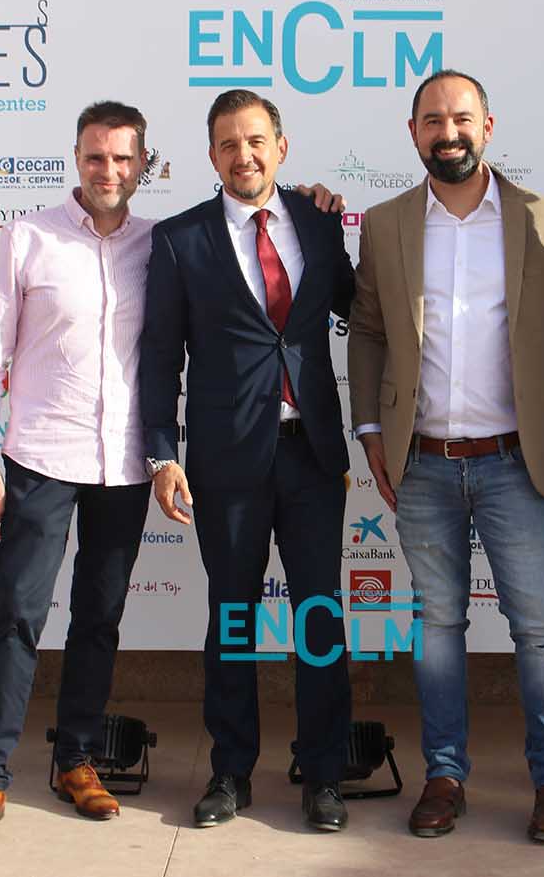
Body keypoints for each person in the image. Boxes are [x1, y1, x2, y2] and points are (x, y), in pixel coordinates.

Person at [0, 100, 342, 843]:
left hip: (177, 462)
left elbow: (347, 305)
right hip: (50, 457)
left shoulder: (234, 233)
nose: (110, 170)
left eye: (123, 158)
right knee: (24, 616)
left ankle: (85, 761)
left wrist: (323, 201)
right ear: (77, 158)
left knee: (111, 620)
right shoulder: (57, 237)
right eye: (97, 157)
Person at [347, 69, 544, 844]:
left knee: (538, 628)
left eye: (461, 118)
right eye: (433, 120)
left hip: (513, 462)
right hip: (422, 462)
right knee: (437, 624)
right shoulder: (386, 225)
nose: (448, 133)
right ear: (413, 132)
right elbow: (366, 329)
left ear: (487, 127)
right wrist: (368, 431)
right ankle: (444, 774)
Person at [139, 89, 356, 832]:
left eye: (257, 141)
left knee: (319, 616)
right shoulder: (180, 239)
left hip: (312, 456)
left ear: (280, 147)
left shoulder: (318, 224)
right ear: (211, 156)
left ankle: (323, 774)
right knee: (232, 616)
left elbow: (358, 307)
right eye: (229, 144)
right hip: (226, 463)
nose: (244, 156)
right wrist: (162, 454)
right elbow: (160, 357)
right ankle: (230, 770)